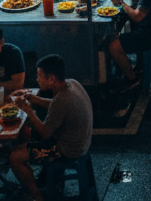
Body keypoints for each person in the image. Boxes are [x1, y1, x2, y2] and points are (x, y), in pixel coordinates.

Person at [9, 55, 93, 201]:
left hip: (68, 150)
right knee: (27, 134)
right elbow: (55, 106)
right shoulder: (72, 84)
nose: (37, 79)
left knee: (14, 157)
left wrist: (29, 111)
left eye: (39, 76)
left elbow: (45, 134)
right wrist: (32, 98)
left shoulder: (62, 99)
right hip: (83, 142)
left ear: (52, 79)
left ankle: (36, 195)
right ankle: (47, 181)